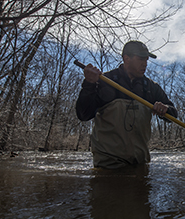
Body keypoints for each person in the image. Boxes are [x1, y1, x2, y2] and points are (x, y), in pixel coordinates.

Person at [76, 41, 178, 169]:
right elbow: (83, 115)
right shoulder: (105, 81)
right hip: (107, 164)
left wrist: (166, 109)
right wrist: (89, 85)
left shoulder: (152, 88)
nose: (145, 64)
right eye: (141, 59)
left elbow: (173, 115)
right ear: (126, 59)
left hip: (140, 162)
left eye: (146, 59)